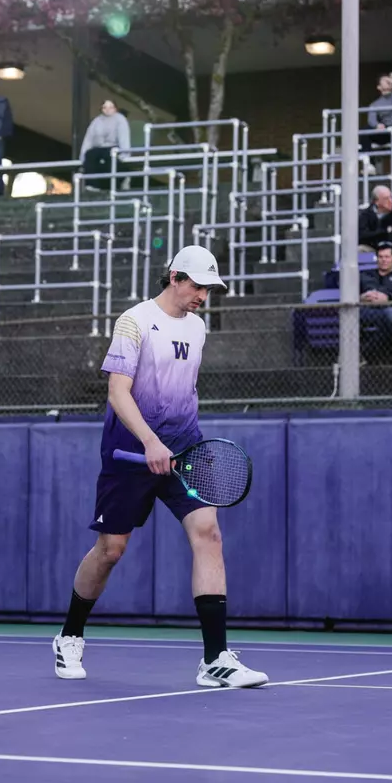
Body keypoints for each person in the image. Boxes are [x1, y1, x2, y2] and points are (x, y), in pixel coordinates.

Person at [53, 244, 268, 690]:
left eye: (209, 289)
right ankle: (70, 634)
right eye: (198, 286)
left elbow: (183, 390)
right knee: (111, 550)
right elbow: (118, 392)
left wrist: (178, 443)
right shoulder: (134, 322)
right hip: (131, 448)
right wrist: (150, 441)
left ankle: (215, 660)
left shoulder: (199, 328)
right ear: (175, 277)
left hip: (184, 450)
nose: (203, 296)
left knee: (208, 533)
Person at [80, 100, 131, 192]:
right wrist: (83, 156)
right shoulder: (96, 121)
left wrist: (125, 154)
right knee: (90, 154)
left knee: (110, 156)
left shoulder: (120, 119)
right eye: (105, 107)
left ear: (115, 109)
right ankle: (92, 185)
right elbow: (88, 139)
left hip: (114, 147)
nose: (107, 110)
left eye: (110, 107)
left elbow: (124, 138)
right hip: (99, 148)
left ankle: (119, 181)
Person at [358, 185, 392, 253]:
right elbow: (362, 236)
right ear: (376, 202)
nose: (390, 201)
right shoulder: (366, 214)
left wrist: (374, 234)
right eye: (386, 199)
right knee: (359, 250)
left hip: (391, 245)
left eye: (391, 197)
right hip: (372, 247)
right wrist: (385, 231)